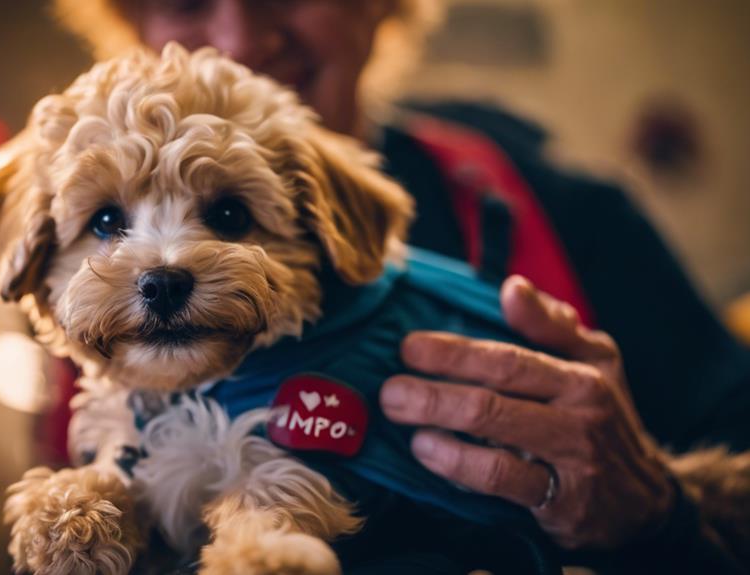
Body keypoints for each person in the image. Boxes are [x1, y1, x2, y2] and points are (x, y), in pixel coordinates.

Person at [52, 0, 750, 572]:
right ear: (133, 23)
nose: (240, 38)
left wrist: (656, 509)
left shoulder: (574, 213)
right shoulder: (96, 297)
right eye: (187, 2)